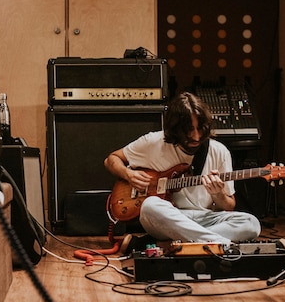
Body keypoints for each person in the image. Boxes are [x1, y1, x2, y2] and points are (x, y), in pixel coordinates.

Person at [104, 91, 261, 251]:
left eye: (200, 128)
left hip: (204, 217)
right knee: (150, 206)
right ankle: (221, 244)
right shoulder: (153, 142)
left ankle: (169, 245)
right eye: (188, 130)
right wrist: (128, 174)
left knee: (251, 223)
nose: (196, 136)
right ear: (174, 128)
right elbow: (111, 159)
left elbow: (229, 206)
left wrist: (218, 194)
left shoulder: (219, 151)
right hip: (167, 219)